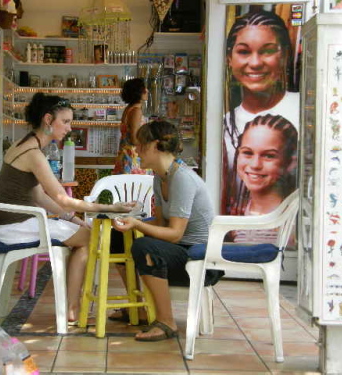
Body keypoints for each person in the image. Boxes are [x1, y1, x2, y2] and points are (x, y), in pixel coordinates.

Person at [0, 93, 134, 322]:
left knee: (85, 236)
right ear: (48, 120)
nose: (69, 127)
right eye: (65, 121)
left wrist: (74, 220)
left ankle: (72, 307)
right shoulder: (33, 153)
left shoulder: (25, 144)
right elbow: (61, 198)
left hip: (9, 223)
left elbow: (39, 196)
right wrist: (112, 208)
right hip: (14, 226)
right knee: (90, 237)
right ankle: (71, 308)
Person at [112, 120, 219, 341]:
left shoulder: (182, 178)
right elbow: (160, 224)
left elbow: (175, 234)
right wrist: (129, 220)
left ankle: (166, 321)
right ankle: (140, 309)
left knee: (145, 246)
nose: (137, 150)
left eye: (141, 145)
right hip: (179, 251)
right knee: (118, 237)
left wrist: (138, 225)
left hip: (199, 259)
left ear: (154, 145)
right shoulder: (160, 178)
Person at [222, 10, 300, 215]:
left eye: (267, 51)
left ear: (284, 55)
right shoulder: (224, 124)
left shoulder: (306, 108)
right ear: (230, 58)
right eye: (244, 51)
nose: (255, 63)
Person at [233, 114, 297, 243]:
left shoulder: (293, 220)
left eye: (268, 156)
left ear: (290, 163)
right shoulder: (237, 211)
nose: (255, 165)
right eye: (247, 153)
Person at [113, 78, 151, 175]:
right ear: (138, 92)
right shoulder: (136, 111)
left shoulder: (129, 108)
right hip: (133, 158)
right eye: (144, 89)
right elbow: (134, 140)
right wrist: (150, 142)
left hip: (126, 156)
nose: (147, 91)